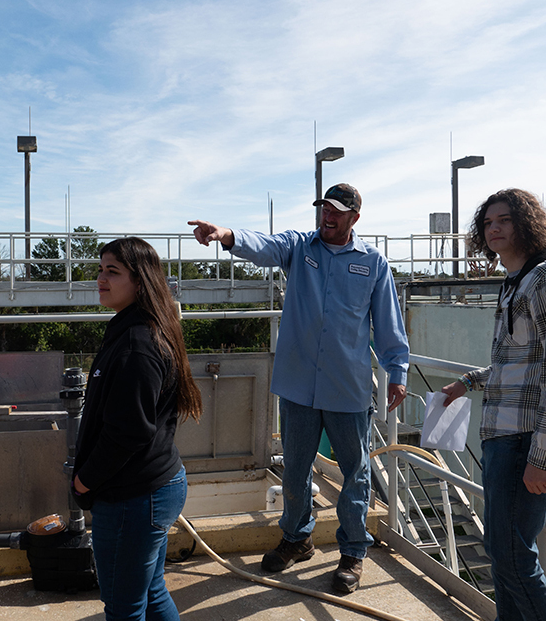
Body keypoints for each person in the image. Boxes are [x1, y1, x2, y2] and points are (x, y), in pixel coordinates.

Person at [188, 183, 409, 593]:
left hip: (347, 388)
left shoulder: (373, 264)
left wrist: (397, 371)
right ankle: (297, 538)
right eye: (324, 208)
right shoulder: (298, 248)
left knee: (355, 474)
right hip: (298, 385)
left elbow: (388, 323)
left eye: (337, 211)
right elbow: (264, 245)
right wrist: (226, 235)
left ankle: (353, 551)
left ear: (354, 219)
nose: (327, 216)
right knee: (294, 469)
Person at [442, 189, 546, 621]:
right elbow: (517, 360)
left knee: (511, 556)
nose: (493, 229)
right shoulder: (517, 282)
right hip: (504, 435)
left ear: (526, 224)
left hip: (527, 440)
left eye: (504, 220)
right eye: (488, 223)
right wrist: (468, 382)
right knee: (503, 554)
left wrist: (543, 457)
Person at [72, 237, 202, 621]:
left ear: (140, 281)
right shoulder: (140, 329)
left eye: (113, 271)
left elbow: (128, 432)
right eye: (100, 269)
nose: (101, 278)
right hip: (153, 487)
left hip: (133, 498)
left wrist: (84, 481)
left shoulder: (137, 345)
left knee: (124, 607)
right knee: (151, 590)